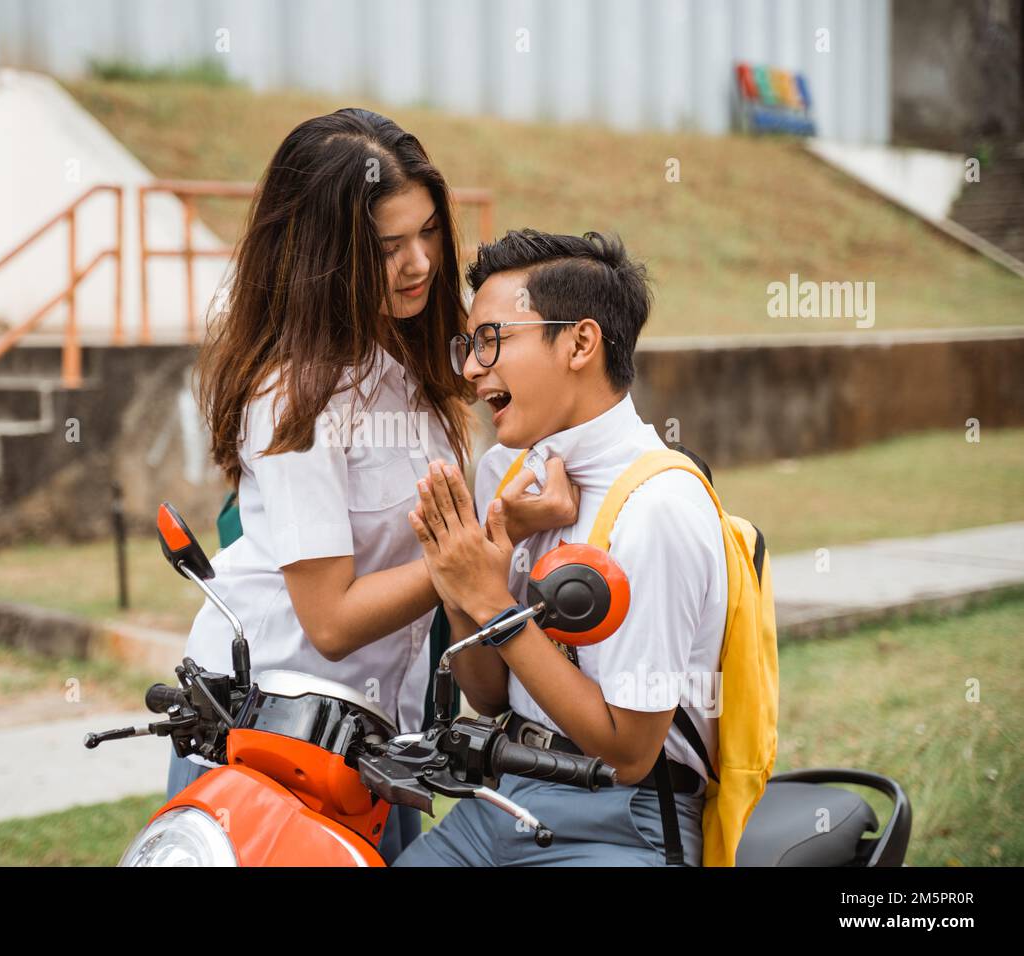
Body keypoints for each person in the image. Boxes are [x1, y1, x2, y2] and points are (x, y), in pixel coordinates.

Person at [169, 112, 577, 863]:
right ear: (325, 255)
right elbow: (330, 619)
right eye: (388, 247)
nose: (420, 262)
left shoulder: (427, 363)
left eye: (427, 232)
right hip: (272, 737)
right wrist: (486, 544)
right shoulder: (292, 392)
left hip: (382, 742)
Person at [397, 229, 726, 866]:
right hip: (507, 796)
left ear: (580, 342)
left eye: (492, 339)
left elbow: (629, 753)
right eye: (469, 344)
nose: (469, 368)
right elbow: (489, 696)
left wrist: (492, 604)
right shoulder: (504, 473)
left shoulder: (658, 507)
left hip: (622, 820)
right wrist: (460, 576)